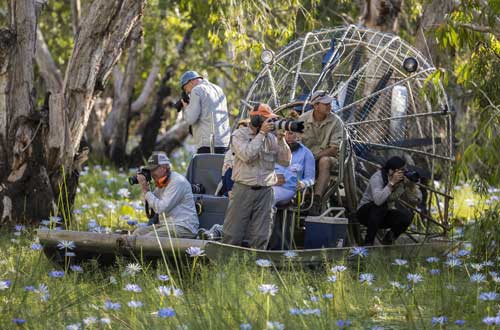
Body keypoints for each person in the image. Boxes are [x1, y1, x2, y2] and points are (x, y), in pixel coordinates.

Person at [222, 104, 291, 249]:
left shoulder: (272, 138)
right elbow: (247, 155)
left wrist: (281, 139)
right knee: (233, 234)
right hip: (243, 190)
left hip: (266, 192)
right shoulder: (239, 135)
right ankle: (226, 267)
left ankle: (256, 268)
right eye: (267, 119)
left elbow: (285, 161)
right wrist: (261, 135)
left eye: (271, 120)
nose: (270, 123)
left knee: (261, 236)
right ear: (256, 119)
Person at [357, 156, 422, 246]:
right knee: (381, 206)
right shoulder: (377, 177)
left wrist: (411, 187)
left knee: (406, 217)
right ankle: (368, 243)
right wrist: (391, 184)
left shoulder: (402, 181)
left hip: (382, 215)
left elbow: (416, 200)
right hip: (364, 214)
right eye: (401, 170)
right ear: (391, 171)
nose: (404, 172)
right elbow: (378, 201)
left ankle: (388, 241)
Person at [134, 151, 199, 238]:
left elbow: (161, 209)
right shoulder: (162, 183)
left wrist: (146, 191)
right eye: (150, 170)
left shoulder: (177, 182)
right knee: (137, 233)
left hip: (183, 226)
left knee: (148, 238)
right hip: (167, 225)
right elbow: (152, 207)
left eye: (154, 169)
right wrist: (147, 188)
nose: (152, 173)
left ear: (164, 167)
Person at [299, 90, 343, 215]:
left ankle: (316, 201)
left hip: (329, 158)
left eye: (330, 103)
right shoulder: (302, 119)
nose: (329, 106)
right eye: (326, 104)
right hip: (307, 158)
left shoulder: (336, 122)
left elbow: (334, 149)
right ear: (316, 105)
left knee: (324, 161)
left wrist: (313, 157)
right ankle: (300, 197)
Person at [179, 70, 231, 154]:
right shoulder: (218, 89)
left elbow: (190, 119)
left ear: (191, 81)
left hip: (207, 144)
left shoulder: (196, 90)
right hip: (224, 143)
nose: (187, 92)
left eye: (185, 88)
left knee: (206, 167)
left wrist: (186, 108)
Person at [273, 128, 315, 206]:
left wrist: (303, 183)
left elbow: (310, 178)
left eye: (290, 133)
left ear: (299, 135)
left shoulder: (306, 153)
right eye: (284, 134)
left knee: (269, 197)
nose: (287, 137)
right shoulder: (273, 148)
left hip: (288, 188)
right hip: (269, 185)